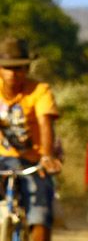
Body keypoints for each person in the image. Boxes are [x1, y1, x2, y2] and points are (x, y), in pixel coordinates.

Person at [0, 35, 63, 241]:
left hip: (32, 160)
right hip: (2, 159)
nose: (13, 73)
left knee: (40, 213)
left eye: (19, 68)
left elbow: (45, 123)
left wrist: (46, 155)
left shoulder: (39, 90)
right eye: (8, 67)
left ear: (27, 69)